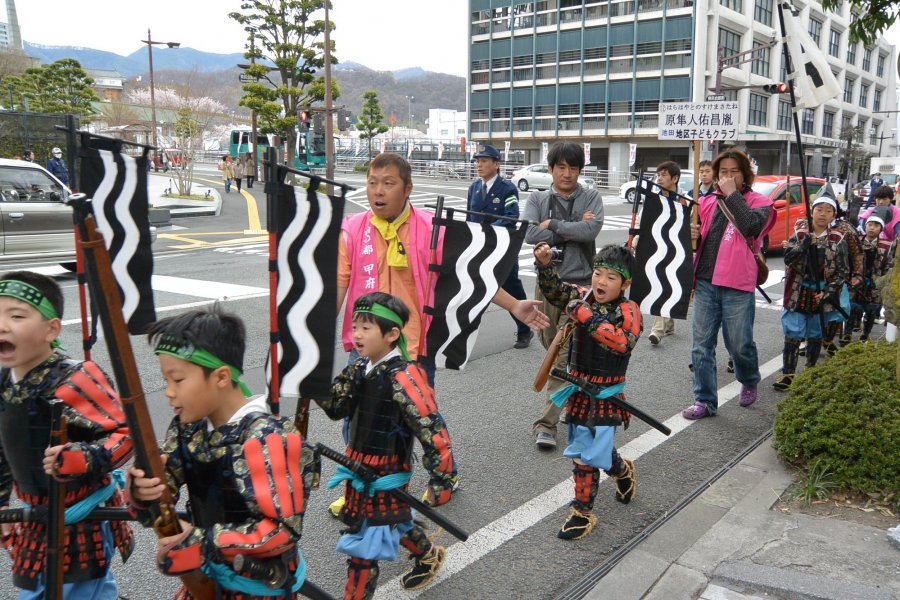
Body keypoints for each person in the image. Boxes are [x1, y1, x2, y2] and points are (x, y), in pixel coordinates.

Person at [127, 307, 314, 598]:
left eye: (177, 380)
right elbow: (164, 489)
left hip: (256, 589)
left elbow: (280, 533)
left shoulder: (268, 439)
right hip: (203, 582)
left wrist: (200, 542)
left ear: (222, 377)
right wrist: (143, 489)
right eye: (166, 381)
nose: (168, 392)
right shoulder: (188, 428)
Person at [0, 271, 134, 598]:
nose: (3, 325)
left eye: (16, 316)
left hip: (81, 516)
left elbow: (128, 434)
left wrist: (83, 458)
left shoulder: (77, 377)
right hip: (35, 515)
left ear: (52, 329)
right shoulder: (4, 381)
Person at [316, 292, 456, 598]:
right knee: (391, 520)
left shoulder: (406, 376)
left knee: (363, 549)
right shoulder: (359, 368)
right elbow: (336, 407)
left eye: (366, 328)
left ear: (392, 334)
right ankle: (428, 555)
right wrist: (312, 383)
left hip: (385, 472)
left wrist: (441, 477)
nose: (357, 335)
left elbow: (432, 427)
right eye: (355, 327)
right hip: (357, 467)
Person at [532, 244, 641, 540]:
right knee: (583, 453)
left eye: (610, 277)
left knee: (594, 455)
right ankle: (584, 510)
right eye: (597, 273)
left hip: (607, 395)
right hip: (578, 390)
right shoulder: (582, 298)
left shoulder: (629, 311)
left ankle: (608, 484)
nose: (600, 282)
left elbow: (622, 342)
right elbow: (554, 291)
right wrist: (544, 266)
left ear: (625, 283)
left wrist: (587, 318)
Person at [682, 148, 776, 419]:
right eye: (723, 171)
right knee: (701, 345)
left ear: (745, 174)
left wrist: (733, 194)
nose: (728, 176)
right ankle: (704, 400)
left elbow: (750, 227)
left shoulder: (760, 202)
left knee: (739, 343)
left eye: (734, 171)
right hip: (706, 281)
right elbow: (698, 241)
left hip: (737, 283)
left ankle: (749, 377)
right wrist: (692, 234)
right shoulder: (707, 201)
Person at [523, 141, 604, 449]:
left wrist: (553, 225)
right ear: (551, 168)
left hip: (581, 287)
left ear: (579, 170)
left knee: (562, 351)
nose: (567, 173)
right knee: (549, 344)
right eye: (561, 167)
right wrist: (573, 226)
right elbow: (530, 233)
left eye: (573, 167)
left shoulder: (591, 196)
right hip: (546, 283)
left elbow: (591, 232)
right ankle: (575, 401)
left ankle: (546, 423)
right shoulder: (537, 198)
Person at [774, 196, 849, 390]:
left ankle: (810, 373)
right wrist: (806, 243)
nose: (823, 214)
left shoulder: (838, 239)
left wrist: (828, 292)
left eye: (828, 211)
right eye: (819, 209)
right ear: (812, 211)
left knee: (816, 334)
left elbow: (842, 271)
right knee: (792, 333)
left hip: (821, 294)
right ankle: (788, 375)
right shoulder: (800, 234)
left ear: (834, 215)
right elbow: (789, 258)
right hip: (798, 290)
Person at [467, 143, 533, 349]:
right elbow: (469, 217)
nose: (479, 165)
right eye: (478, 161)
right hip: (479, 248)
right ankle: (462, 337)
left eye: (484, 161)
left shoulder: (507, 188)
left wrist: (488, 229)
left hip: (503, 248)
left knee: (512, 289)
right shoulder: (474, 188)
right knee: (473, 290)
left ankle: (524, 330)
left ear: (496, 164)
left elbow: (511, 217)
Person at [843, 211, 895, 343]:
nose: (872, 227)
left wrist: (882, 282)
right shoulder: (856, 242)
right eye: (870, 224)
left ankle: (865, 335)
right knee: (852, 308)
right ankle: (847, 334)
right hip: (856, 280)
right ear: (865, 226)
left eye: (876, 225)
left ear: (881, 229)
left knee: (871, 311)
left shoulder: (887, 245)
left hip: (874, 283)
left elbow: (889, 265)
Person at [648, 161, 682, 346]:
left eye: (663, 175)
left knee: (667, 284)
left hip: (676, 248)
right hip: (657, 247)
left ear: (675, 178)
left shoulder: (684, 200)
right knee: (661, 284)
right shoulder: (653, 198)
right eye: (658, 175)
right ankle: (664, 326)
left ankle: (660, 328)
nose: (659, 178)